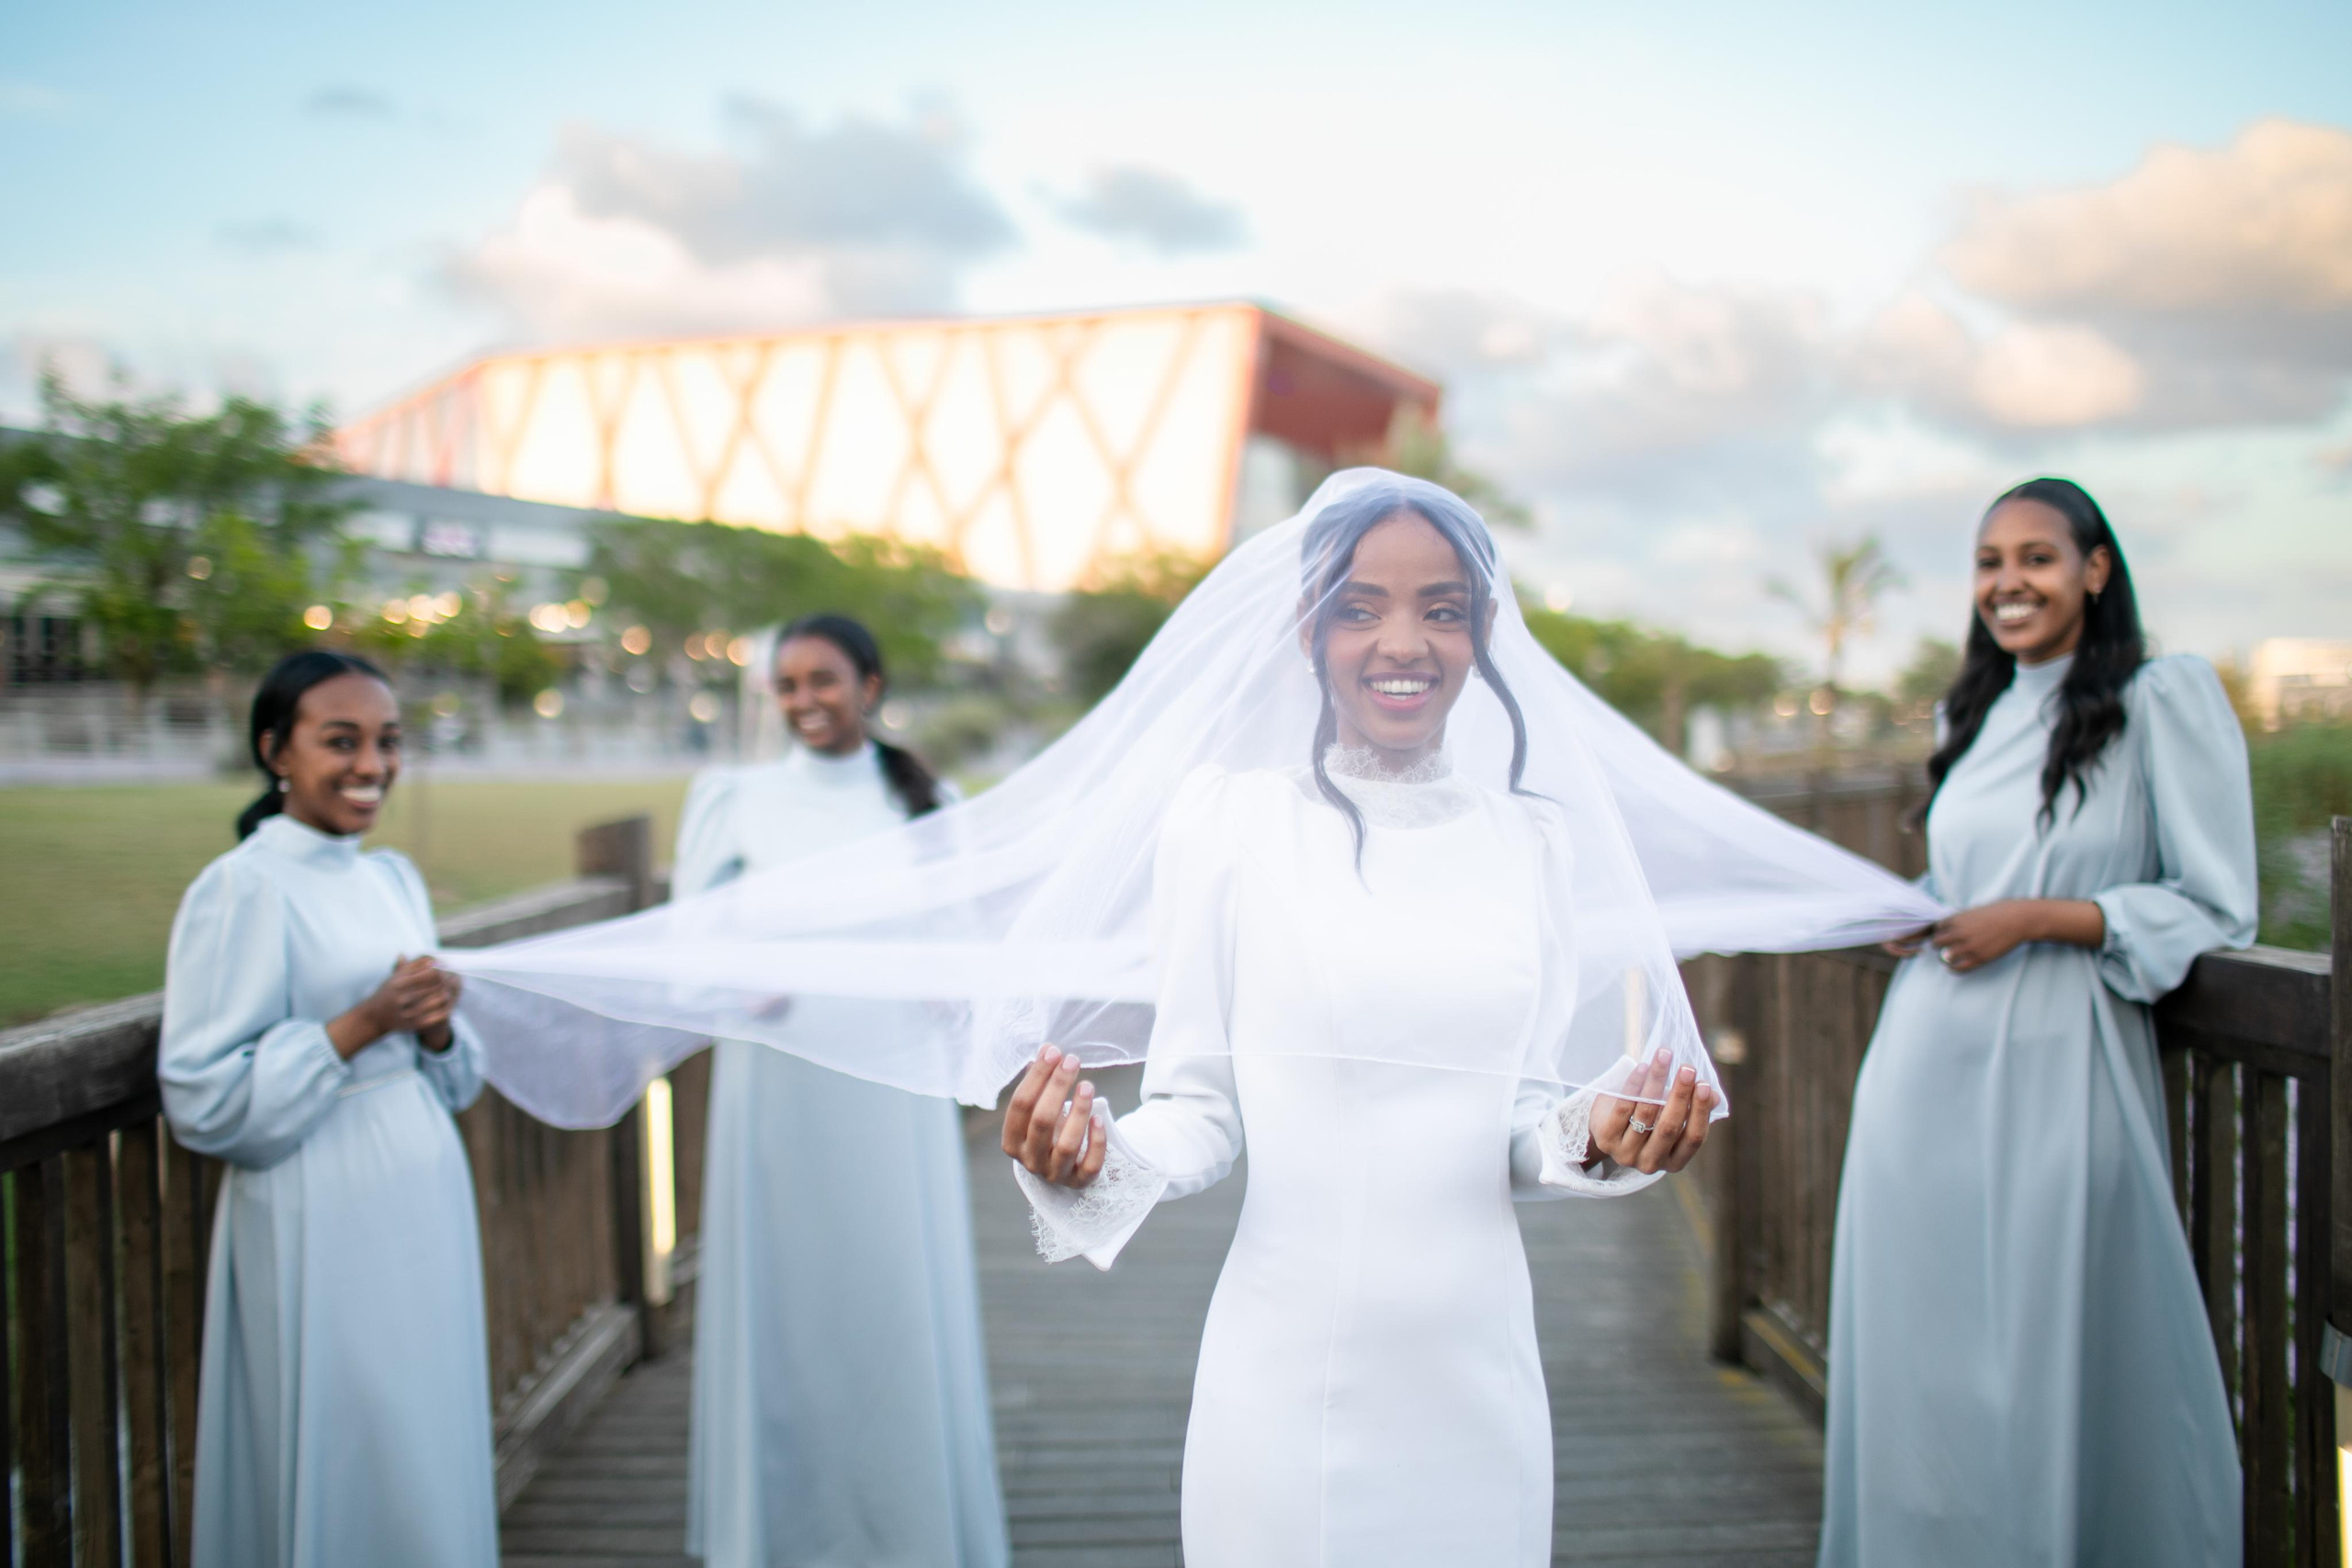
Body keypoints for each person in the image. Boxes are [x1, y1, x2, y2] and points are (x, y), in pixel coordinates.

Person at [1002, 485, 1716, 1568]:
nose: (1401, 643)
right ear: (1305, 628)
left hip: (1480, 1372)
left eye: (1440, 609)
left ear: (1481, 629)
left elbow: (1522, 1121)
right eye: (1358, 607)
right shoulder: (1228, 827)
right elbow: (1198, 1110)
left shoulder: (1532, 845)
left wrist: (1600, 1135)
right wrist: (1090, 1157)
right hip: (1288, 1377)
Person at [1818, 478, 2253, 1566]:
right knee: (1931, 1355)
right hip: (1924, 1073)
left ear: (2094, 570)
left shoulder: (2165, 696)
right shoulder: (1974, 709)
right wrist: (1920, 910)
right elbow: (1975, 867)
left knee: (2050, 1340)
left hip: (2061, 1064)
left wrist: (2037, 920)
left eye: (2036, 558)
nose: (2008, 583)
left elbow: (2215, 902)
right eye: (1987, 563)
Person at [675, 615, 1009, 1568]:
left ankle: (902, 1527)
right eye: (786, 687)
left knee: (890, 1298)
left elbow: (966, 949)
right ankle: (783, 1531)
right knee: (785, 1305)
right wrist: (740, 982)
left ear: (869, 683)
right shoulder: (731, 798)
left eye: (822, 681)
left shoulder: (927, 800)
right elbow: (686, 954)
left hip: (889, 1093)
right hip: (778, 1088)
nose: (804, 702)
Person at [159, 649, 497, 1568]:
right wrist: (360, 1024)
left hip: (420, 1195)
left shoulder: (392, 880)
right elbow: (205, 1099)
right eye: (339, 742)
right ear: (276, 750)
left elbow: (457, 1081)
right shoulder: (243, 887)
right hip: (321, 1204)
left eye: (387, 743)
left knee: (422, 1432)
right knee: (353, 1436)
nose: (370, 767)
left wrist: (431, 1031)